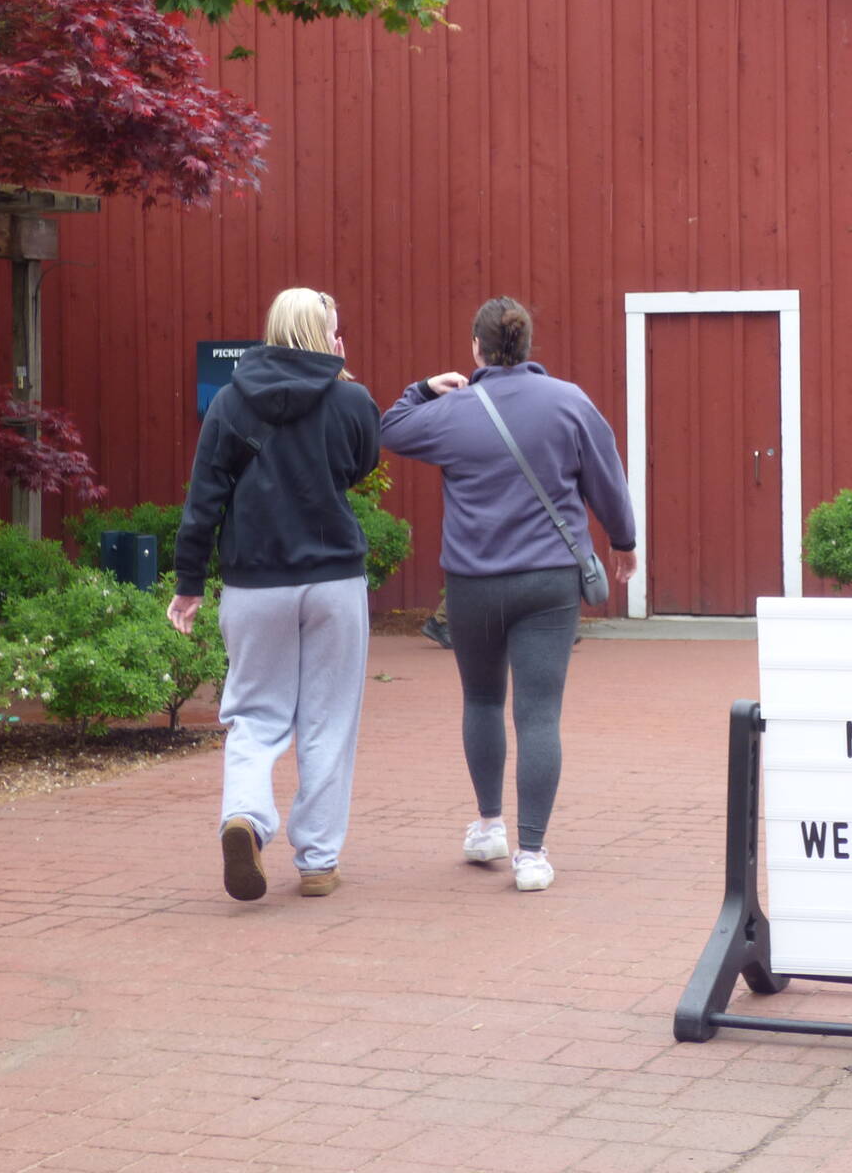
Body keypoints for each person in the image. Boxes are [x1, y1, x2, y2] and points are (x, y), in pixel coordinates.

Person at [379, 296, 637, 892]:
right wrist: (623, 540)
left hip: (473, 582)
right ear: (527, 345)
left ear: (476, 349)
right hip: (549, 581)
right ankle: (533, 855)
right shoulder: (569, 402)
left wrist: (423, 386)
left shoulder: (456, 410)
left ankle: (489, 824)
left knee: (483, 702)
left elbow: (388, 428)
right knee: (540, 714)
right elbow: (607, 476)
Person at [169, 289, 382, 902]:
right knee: (328, 720)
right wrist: (345, 380)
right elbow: (361, 465)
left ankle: (244, 816)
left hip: (254, 581)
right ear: (326, 335)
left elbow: (203, 498)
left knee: (254, 716)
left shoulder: (232, 402)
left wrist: (188, 585)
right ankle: (317, 861)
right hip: (334, 578)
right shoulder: (349, 398)